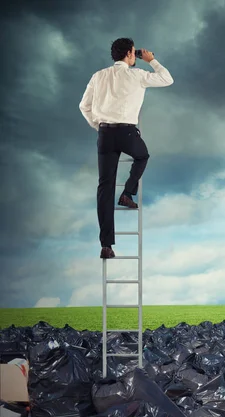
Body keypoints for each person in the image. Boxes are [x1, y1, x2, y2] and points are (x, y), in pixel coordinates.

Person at [79, 38, 174, 259]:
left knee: (104, 187)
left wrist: (98, 125)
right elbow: (167, 79)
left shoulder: (98, 76)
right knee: (142, 156)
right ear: (131, 54)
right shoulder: (137, 75)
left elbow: (84, 106)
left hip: (105, 134)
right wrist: (151, 60)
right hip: (126, 132)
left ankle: (106, 246)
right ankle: (127, 193)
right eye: (134, 52)